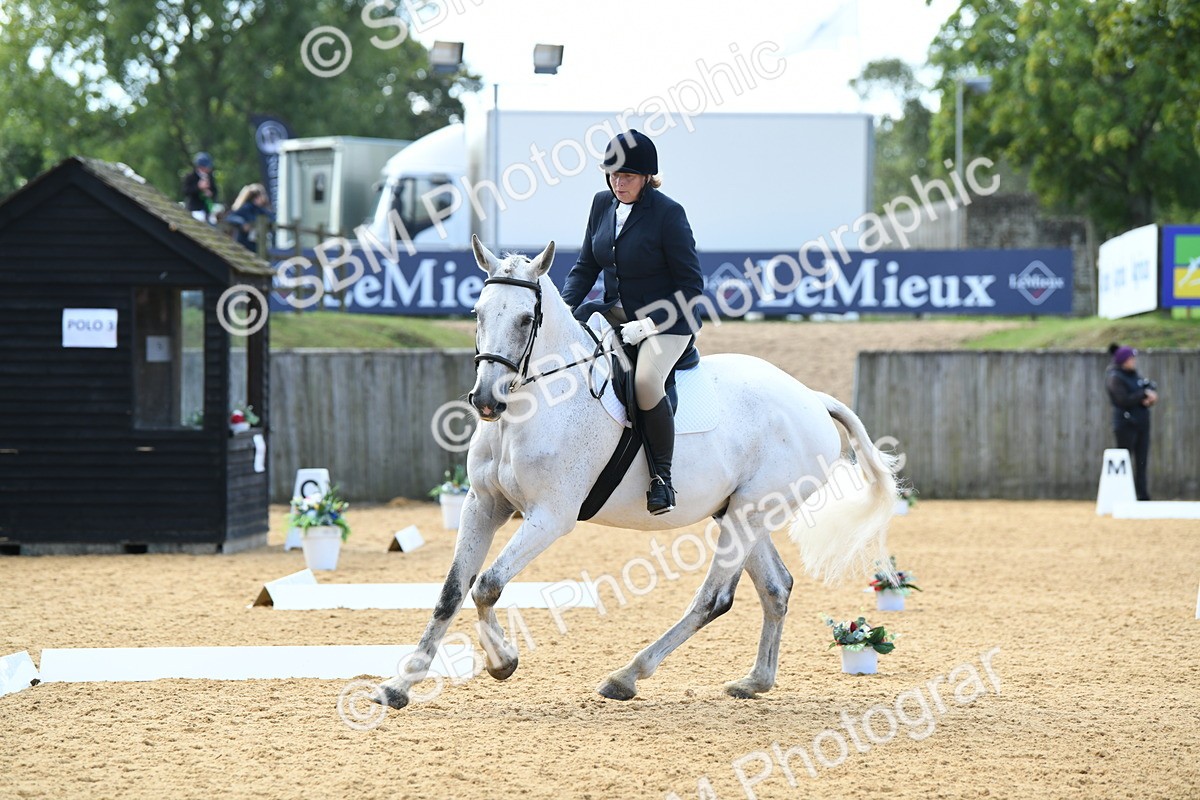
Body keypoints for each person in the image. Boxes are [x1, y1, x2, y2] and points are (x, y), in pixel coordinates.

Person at [561, 130, 705, 515]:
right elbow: (586, 266)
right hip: (616, 310)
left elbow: (692, 287)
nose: (618, 183)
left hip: (669, 321)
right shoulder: (601, 204)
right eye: (613, 175)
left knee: (645, 382)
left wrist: (650, 325)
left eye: (627, 176)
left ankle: (662, 480)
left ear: (646, 177)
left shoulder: (669, 214)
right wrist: (563, 309)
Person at [1105, 343, 1157, 501]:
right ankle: (1121, 496)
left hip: (1141, 423)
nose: (1134, 361)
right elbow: (1123, 400)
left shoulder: (1134, 375)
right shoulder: (1115, 377)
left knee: (1142, 462)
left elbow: (1143, 392)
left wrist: (1150, 397)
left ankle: (1142, 496)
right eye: (1131, 358)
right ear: (1123, 360)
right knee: (1124, 461)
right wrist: (1143, 394)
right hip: (1125, 425)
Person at [227, 183, 274, 251]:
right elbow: (231, 217)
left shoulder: (262, 210)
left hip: (258, 244)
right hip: (245, 243)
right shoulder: (246, 208)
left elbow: (272, 218)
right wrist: (242, 223)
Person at [182, 152, 218, 223]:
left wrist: (210, 193)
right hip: (195, 209)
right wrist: (198, 187)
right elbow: (185, 191)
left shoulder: (210, 177)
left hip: (207, 209)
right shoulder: (191, 176)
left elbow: (215, 191)